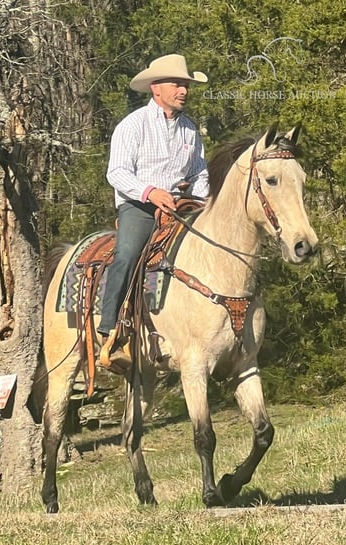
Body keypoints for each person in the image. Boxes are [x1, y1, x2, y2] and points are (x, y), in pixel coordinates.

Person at [98, 54, 210, 368]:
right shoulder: (132, 126)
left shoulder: (190, 130)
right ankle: (110, 330)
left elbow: (200, 173)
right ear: (156, 88)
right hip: (139, 205)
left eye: (185, 84)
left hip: (181, 207)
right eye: (177, 84)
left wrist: (204, 201)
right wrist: (150, 192)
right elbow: (117, 172)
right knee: (128, 253)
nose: (184, 90)